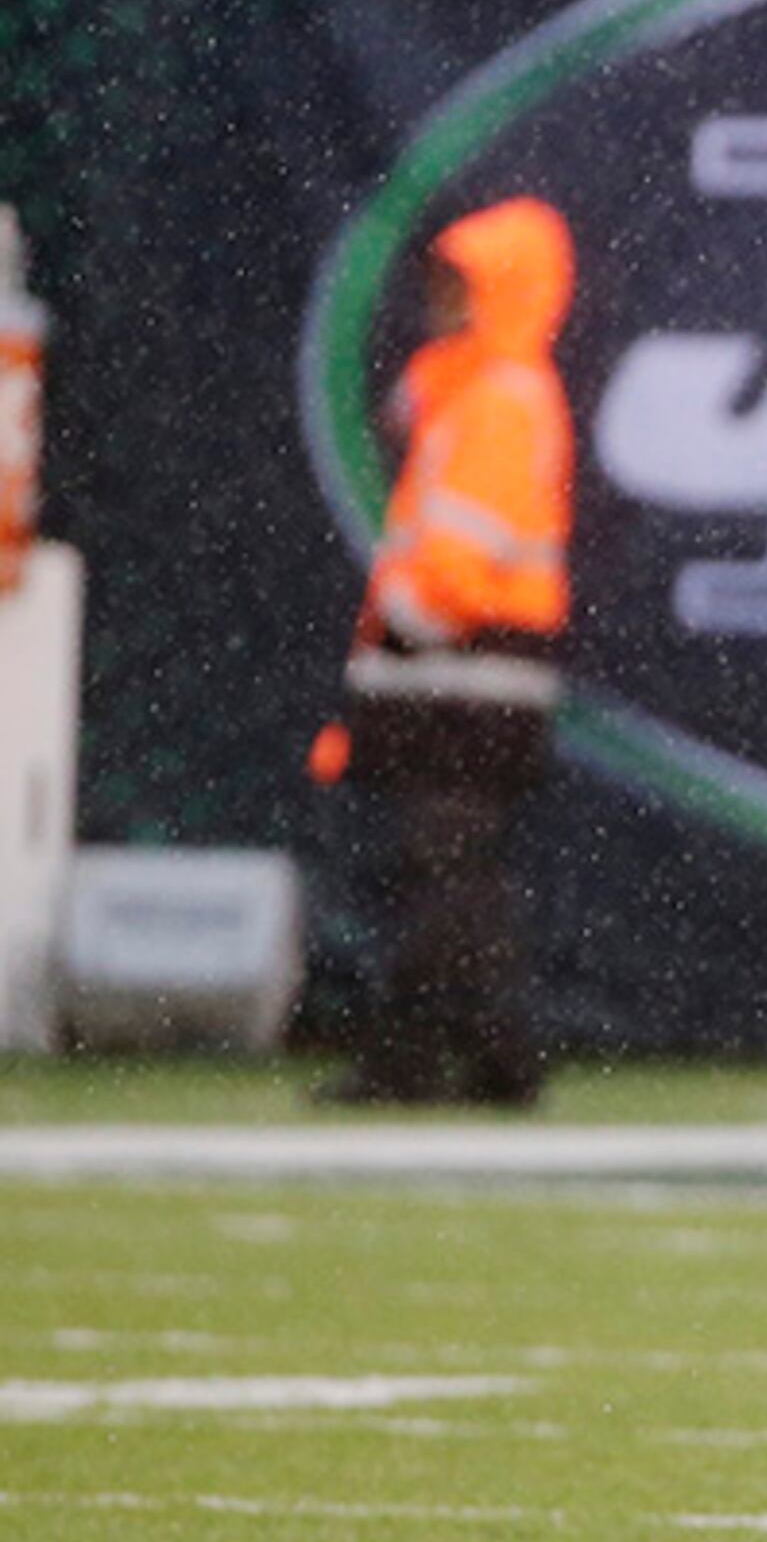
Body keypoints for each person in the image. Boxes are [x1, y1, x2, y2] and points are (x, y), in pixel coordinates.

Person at [307, 199, 574, 1108]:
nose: (443, 303)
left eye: (463, 286)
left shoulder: (505, 399)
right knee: (447, 873)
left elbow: (461, 552)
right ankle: (484, 1056)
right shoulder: (466, 392)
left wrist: (417, 614)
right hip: (448, 674)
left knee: (446, 871)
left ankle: (432, 1055)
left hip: (471, 673)